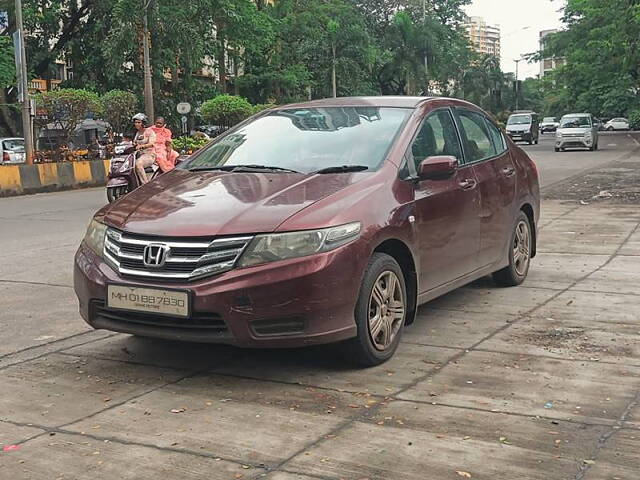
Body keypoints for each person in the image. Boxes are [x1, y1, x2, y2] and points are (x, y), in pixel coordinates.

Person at [132, 113, 157, 184]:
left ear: (143, 123)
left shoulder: (149, 131)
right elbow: (134, 143)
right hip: (137, 155)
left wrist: (142, 146)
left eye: (139, 122)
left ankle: (145, 184)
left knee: (138, 164)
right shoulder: (137, 133)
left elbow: (152, 143)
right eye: (135, 122)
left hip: (149, 155)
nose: (136, 124)